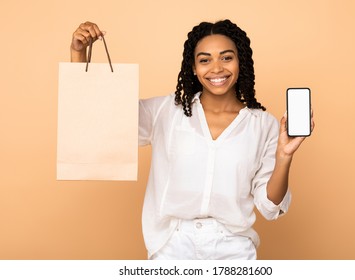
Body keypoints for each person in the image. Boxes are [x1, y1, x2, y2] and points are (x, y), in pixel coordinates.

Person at [70, 20, 314, 260]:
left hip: (233, 249)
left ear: (241, 62)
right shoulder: (165, 112)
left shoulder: (264, 125)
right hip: (171, 246)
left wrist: (284, 158)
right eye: (205, 60)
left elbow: (269, 208)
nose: (216, 68)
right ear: (193, 68)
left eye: (227, 57)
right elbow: (100, 119)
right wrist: (78, 53)